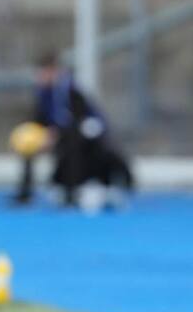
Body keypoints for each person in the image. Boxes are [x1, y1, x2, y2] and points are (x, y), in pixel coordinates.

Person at [13, 53, 134, 207]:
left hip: (84, 135)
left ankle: (73, 190)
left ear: (53, 71)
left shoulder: (70, 90)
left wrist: (56, 134)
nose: (41, 77)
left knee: (73, 142)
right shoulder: (42, 93)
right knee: (27, 142)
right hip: (59, 135)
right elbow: (38, 121)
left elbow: (79, 120)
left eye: (44, 72)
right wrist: (37, 135)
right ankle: (25, 192)